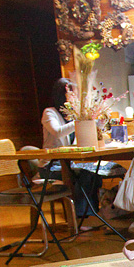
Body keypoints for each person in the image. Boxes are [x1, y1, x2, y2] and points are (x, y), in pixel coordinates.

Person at [41, 78, 101, 227]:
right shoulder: (49, 113)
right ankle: (81, 217)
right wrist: (80, 121)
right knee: (84, 175)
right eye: (72, 94)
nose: (75, 98)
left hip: (69, 162)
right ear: (62, 94)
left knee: (94, 173)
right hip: (51, 165)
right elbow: (57, 132)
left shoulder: (72, 116)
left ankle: (92, 214)